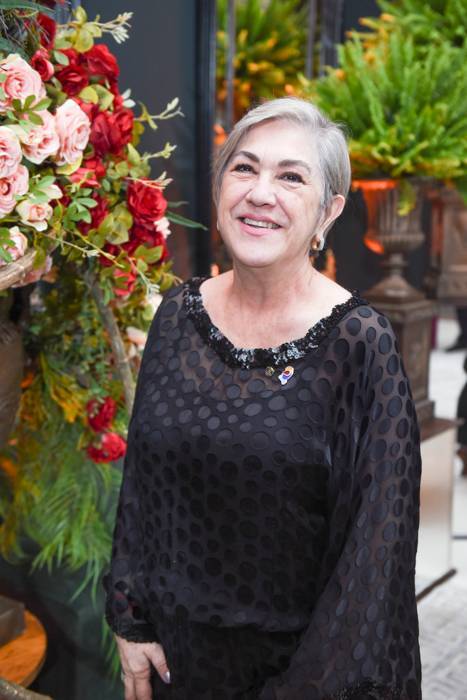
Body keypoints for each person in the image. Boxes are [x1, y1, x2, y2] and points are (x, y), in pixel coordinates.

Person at [104, 97, 422, 700]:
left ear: (328, 210)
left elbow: (375, 558)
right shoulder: (178, 315)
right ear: (219, 186)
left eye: (291, 177)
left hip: (305, 675)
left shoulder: (360, 343)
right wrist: (130, 617)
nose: (260, 193)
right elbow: (143, 482)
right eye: (244, 168)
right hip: (176, 666)